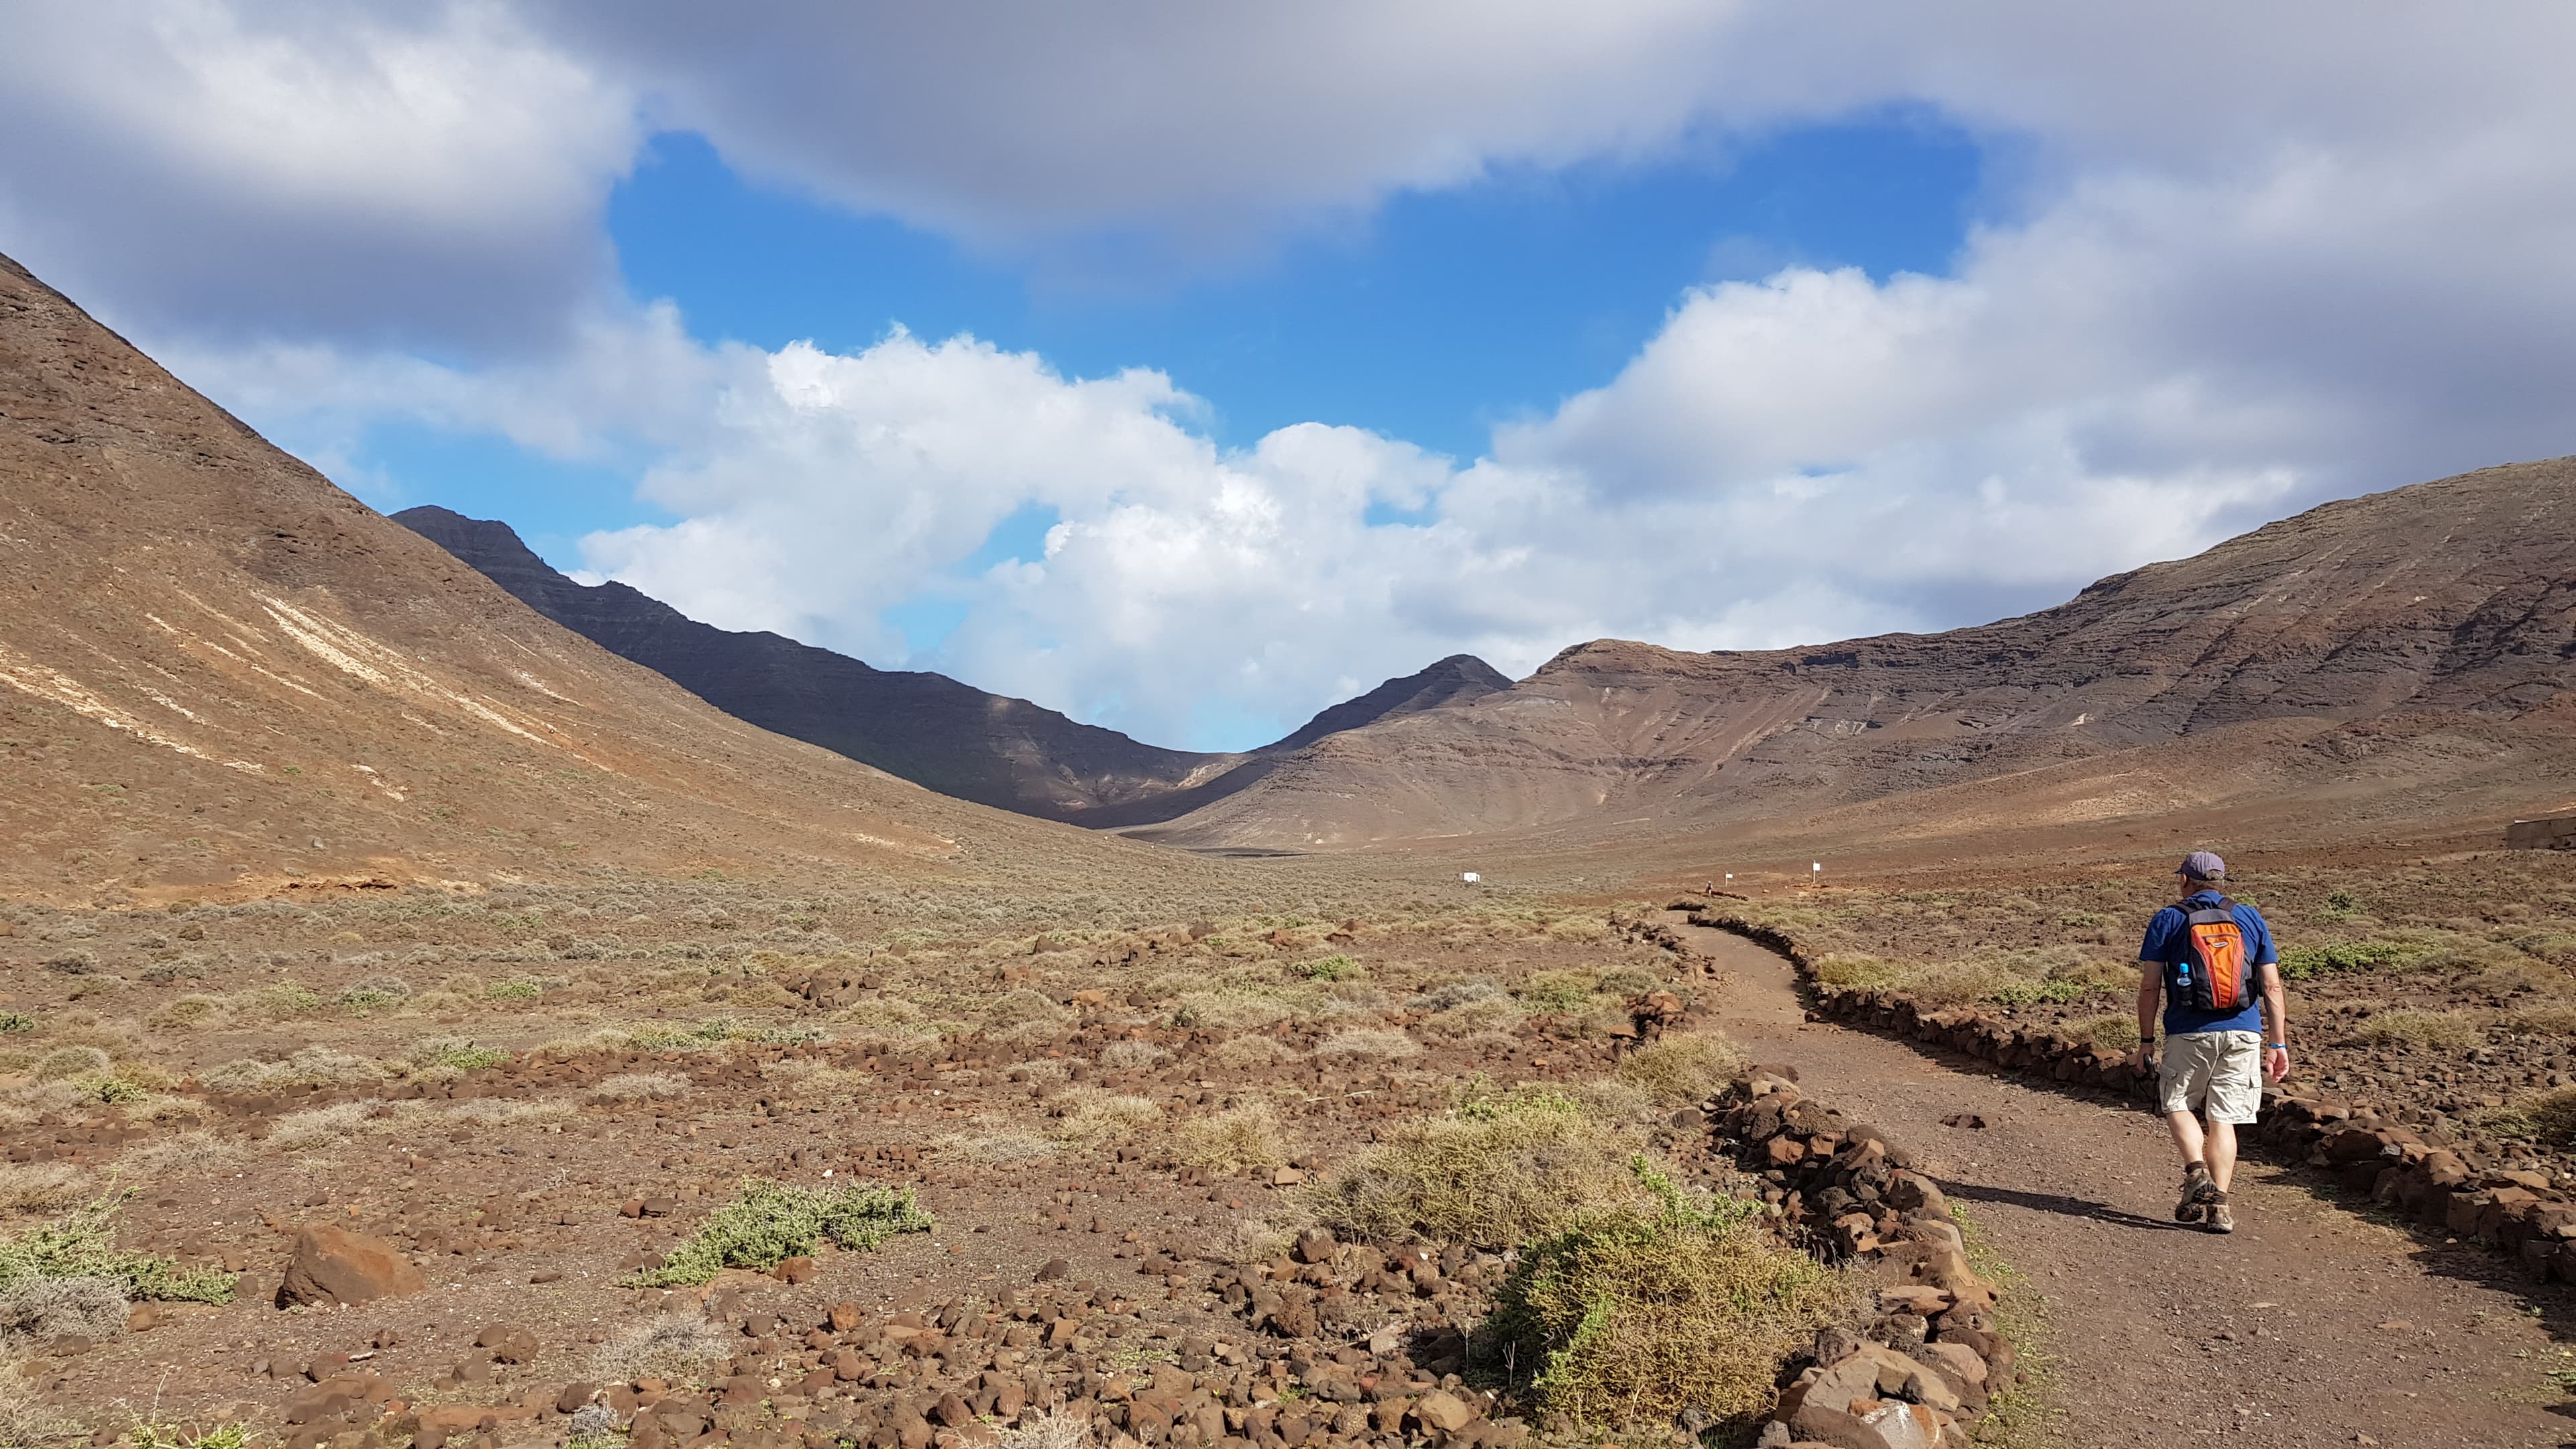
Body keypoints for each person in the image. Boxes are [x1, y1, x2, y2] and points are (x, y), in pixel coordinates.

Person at [2129, 850, 2291, 1234]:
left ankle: (2196, 1172)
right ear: (2221, 882)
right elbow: (2271, 985)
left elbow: (2151, 985)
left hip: (2189, 1031)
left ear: (2185, 880)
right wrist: (2278, 1043)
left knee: (2178, 1103)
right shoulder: (2249, 917)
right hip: (2244, 1031)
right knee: (2224, 1119)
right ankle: (2220, 1209)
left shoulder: (2169, 919)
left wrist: (2146, 1041)